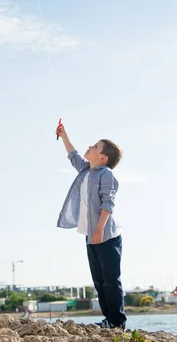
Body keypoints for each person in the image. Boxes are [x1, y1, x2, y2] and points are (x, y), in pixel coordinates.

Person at [56, 121, 126, 330]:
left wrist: (98, 229)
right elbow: (73, 156)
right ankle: (108, 320)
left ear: (103, 158)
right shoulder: (86, 171)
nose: (91, 146)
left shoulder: (106, 175)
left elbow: (108, 203)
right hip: (91, 236)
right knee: (99, 281)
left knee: (111, 281)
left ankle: (117, 322)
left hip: (107, 236)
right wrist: (64, 135)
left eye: (95, 146)